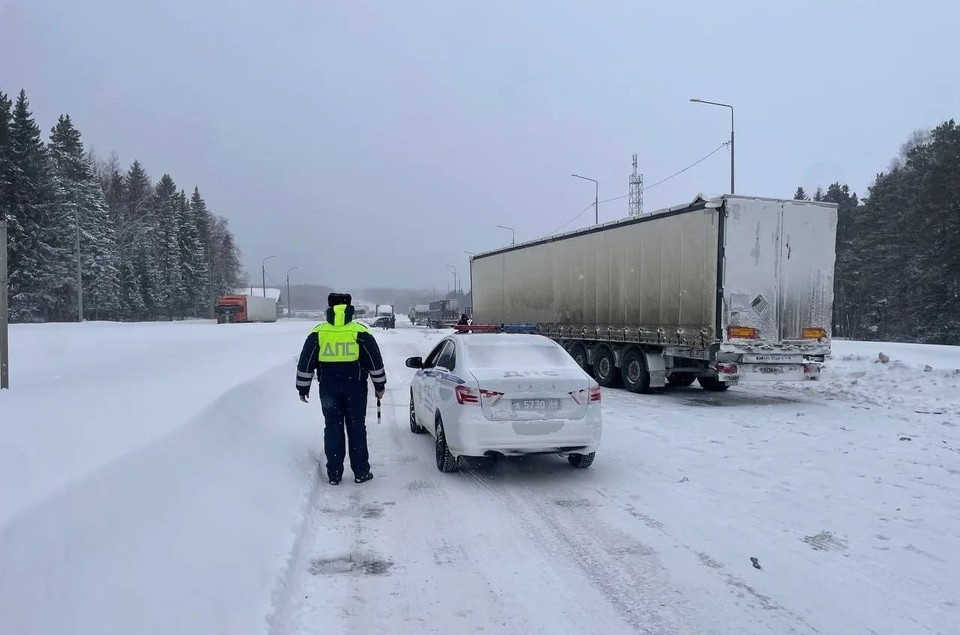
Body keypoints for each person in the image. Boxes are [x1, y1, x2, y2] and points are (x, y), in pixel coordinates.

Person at [296, 292, 387, 485]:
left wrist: (303, 388)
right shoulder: (360, 330)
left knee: (333, 427)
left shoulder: (318, 332)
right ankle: (361, 472)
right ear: (350, 308)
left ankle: (334, 474)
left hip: (329, 389)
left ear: (329, 307)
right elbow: (374, 360)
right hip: (356, 388)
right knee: (356, 428)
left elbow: (306, 362)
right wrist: (379, 385)